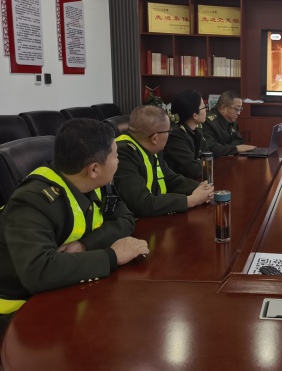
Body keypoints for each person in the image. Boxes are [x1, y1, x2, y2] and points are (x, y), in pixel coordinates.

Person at [0, 119, 149, 335]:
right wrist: (112, 256)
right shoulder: (32, 202)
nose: (118, 161)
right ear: (94, 169)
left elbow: (125, 217)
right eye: (115, 156)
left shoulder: (91, 182)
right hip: (19, 309)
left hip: (64, 287)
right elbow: (38, 271)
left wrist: (85, 244)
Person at [113, 105, 214, 217]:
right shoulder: (123, 154)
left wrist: (200, 188)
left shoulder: (150, 147)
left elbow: (169, 178)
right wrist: (191, 200)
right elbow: (142, 203)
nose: (169, 135)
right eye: (168, 131)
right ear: (155, 138)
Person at [163, 89, 209, 179]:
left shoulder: (197, 130)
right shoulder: (176, 136)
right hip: (179, 184)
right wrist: (201, 161)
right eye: (204, 107)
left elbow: (209, 157)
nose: (206, 110)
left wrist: (200, 161)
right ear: (195, 115)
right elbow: (194, 170)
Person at [203, 91, 256, 157]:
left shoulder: (232, 120)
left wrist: (226, 148)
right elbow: (211, 148)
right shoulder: (208, 122)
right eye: (237, 109)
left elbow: (238, 141)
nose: (239, 113)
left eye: (240, 109)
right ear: (223, 108)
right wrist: (235, 149)